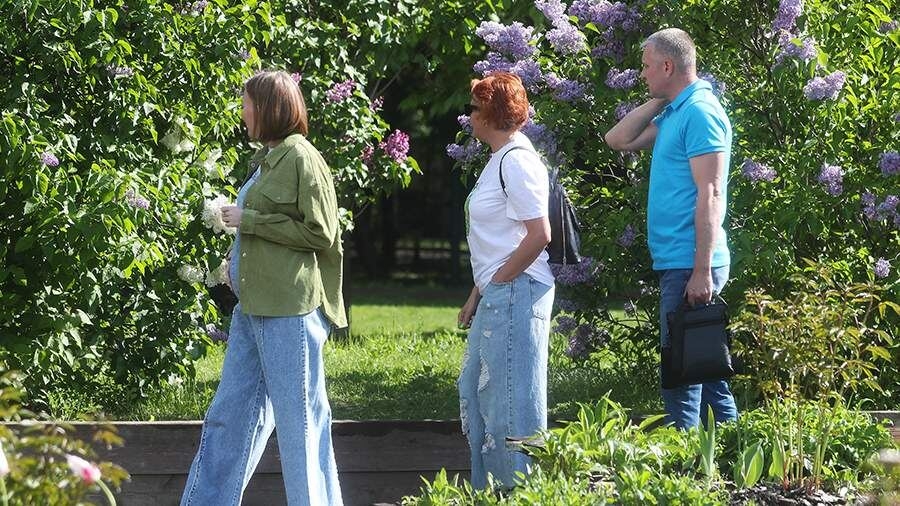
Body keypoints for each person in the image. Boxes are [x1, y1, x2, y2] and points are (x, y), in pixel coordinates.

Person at [181, 70, 346, 506]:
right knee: (228, 420)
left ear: (270, 108)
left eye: (247, 103)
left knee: (301, 426)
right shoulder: (268, 159)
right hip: (252, 310)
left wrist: (250, 221)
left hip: (290, 312)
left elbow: (322, 233)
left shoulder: (303, 158)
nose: (243, 111)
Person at [604, 28, 738, 429]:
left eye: (647, 66)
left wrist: (700, 270)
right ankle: (733, 463)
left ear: (667, 65)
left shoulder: (700, 112)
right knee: (707, 373)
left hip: (690, 263)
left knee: (682, 377)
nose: (642, 74)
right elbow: (618, 140)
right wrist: (661, 96)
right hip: (680, 262)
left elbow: (711, 193)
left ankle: (686, 476)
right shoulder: (679, 110)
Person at [456, 71, 556, 490]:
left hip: (517, 292)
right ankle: (487, 491)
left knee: (510, 405)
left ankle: (517, 492)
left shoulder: (517, 161)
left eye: (474, 108)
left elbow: (540, 234)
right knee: (477, 396)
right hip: (498, 292)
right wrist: (477, 293)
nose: (469, 115)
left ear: (491, 114)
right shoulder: (499, 159)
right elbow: (503, 239)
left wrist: (499, 281)